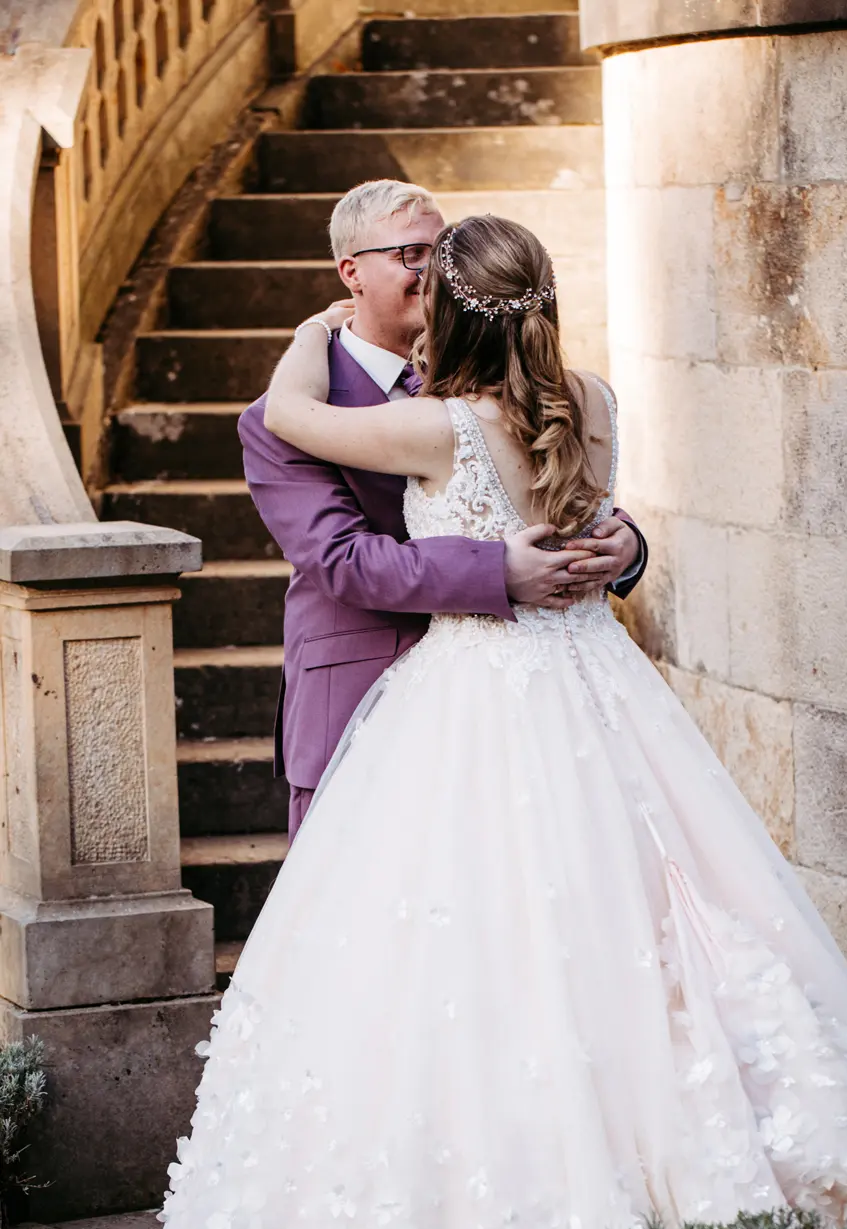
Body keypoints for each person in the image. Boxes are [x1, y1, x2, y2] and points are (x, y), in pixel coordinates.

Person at [134, 215, 847, 1229]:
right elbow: (399, 542)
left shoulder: (437, 424)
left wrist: (303, 336)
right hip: (592, 688)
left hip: (476, 701)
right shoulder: (589, 399)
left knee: (486, 949)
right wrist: (592, 548)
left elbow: (292, 419)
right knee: (636, 921)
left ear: (443, 306)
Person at [237, 179, 646, 839]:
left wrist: (625, 545)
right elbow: (341, 561)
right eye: (412, 254)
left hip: (532, 705)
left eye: (445, 252)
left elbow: (560, 494)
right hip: (362, 693)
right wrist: (496, 572)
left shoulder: (511, 390)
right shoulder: (280, 420)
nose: (436, 271)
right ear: (352, 273)